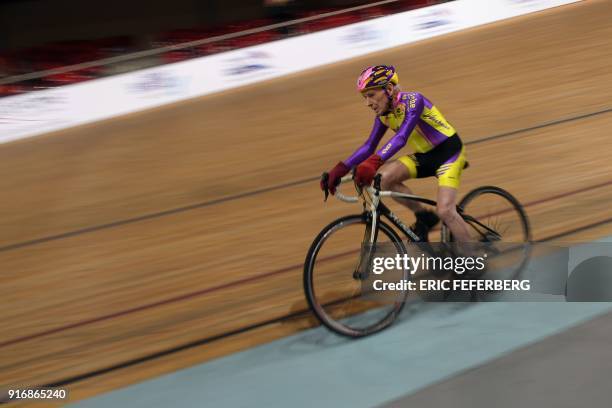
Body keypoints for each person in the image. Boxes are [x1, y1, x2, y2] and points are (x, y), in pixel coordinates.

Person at [321, 64, 472, 243]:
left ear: (389, 89)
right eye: (365, 97)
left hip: (449, 153)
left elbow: (401, 137)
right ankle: (424, 215)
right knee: (384, 179)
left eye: (371, 95)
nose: (367, 103)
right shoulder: (384, 114)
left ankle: (474, 261)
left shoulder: (414, 101)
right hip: (425, 156)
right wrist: (341, 168)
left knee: (445, 211)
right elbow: (370, 145)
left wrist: (373, 162)